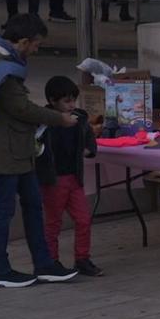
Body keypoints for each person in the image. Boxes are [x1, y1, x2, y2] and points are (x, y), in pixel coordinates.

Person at [0, 13, 79, 288]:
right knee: (3, 211)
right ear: (23, 42)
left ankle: (44, 264)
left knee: (32, 205)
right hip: (4, 152)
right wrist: (59, 118)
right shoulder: (0, 70)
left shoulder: (1, 62)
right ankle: (0, 270)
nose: (37, 50)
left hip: (18, 149)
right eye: (36, 44)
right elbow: (21, 108)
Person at [36, 74, 101, 276]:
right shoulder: (44, 120)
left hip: (74, 177)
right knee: (53, 223)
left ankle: (82, 258)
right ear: (53, 101)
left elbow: (90, 141)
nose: (71, 105)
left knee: (83, 219)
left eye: (73, 100)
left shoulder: (80, 119)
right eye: (66, 101)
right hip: (53, 179)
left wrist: (88, 150)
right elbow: (36, 145)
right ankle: (51, 261)